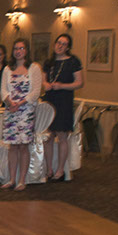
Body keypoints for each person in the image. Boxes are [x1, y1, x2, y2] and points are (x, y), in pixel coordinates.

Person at [0, 38, 43, 191]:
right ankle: (11, 179)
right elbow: (3, 90)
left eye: (22, 48)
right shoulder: (7, 69)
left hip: (26, 111)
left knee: (23, 146)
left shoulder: (34, 68)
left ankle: (22, 180)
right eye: (16, 48)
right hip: (11, 110)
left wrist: (20, 103)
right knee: (12, 146)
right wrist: (9, 102)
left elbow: (36, 92)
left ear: (27, 50)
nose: (18, 51)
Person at [42, 34, 83, 181]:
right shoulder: (49, 62)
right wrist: (46, 84)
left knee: (62, 135)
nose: (60, 46)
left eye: (64, 44)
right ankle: (49, 169)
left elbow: (79, 83)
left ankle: (60, 170)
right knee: (48, 136)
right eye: (59, 43)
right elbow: (43, 79)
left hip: (64, 100)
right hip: (50, 100)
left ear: (68, 47)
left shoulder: (73, 61)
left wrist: (62, 86)